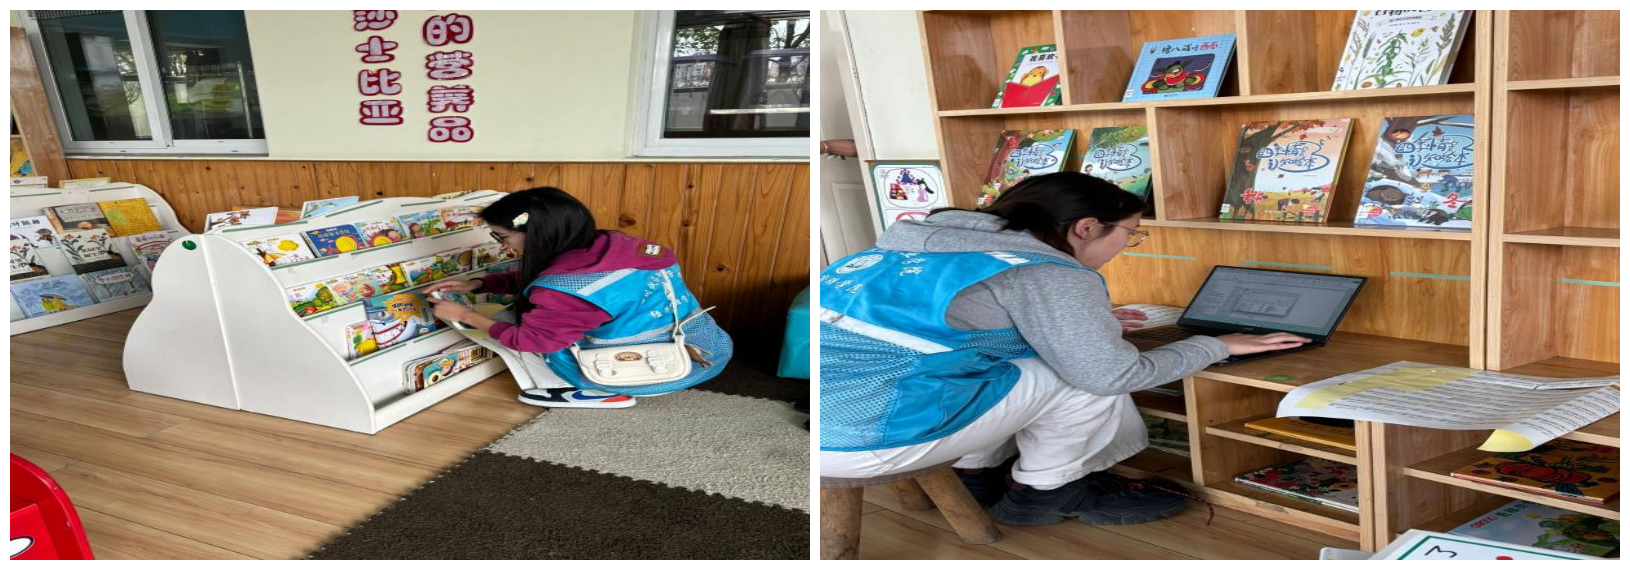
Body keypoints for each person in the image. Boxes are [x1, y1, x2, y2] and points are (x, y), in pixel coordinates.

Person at [818, 172, 1310, 526]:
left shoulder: (907, 246)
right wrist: (1215, 345)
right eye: (1130, 234)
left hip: (820, 426)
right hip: (873, 437)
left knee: (1033, 360)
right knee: (1081, 376)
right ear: (1086, 227)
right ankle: (1046, 490)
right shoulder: (1047, 271)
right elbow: (1109, 376)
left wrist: (1079, 325)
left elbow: (939, 325)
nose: (1126, 244)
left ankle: (976, 474)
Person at [424, 187, 732, 409]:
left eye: (502, 237)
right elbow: (562, 282)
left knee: (509, 323)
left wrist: (465, 316)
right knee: (524, 315)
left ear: (537, 234)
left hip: (646, 370)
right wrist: (479, 284)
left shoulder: (562, 288)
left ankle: (589, 391)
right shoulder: (618, 245)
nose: (503, 245)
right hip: (702, 346)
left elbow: (531, 339)